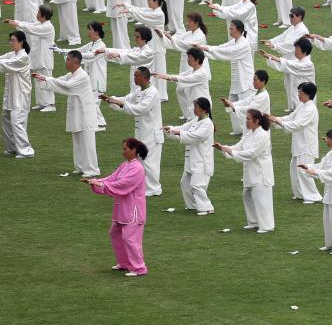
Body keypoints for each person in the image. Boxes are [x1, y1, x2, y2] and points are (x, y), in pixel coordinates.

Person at [83, 137, 148, 277]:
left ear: (133, 150)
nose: (122, 152)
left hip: (134, 210)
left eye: (125, 149)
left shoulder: (137, 168)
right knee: (115, 233)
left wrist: (101, 184)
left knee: (130, 239)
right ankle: (124, 263)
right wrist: (95, 181)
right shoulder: (125, 165)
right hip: (122, 208)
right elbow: (112, 178)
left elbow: (124, 185)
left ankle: (139, 268)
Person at [100, 67, 164, 197]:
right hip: (141, 132)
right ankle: (145, 187)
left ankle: (154, 188)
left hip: (152, 133)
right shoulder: (139, 91)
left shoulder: (152, 93)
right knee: (141, 159)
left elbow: (140, 109)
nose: (134, 78)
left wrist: (119, 103)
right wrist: (111, 99)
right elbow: (126, 99)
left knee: (149, 162)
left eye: (136, 76)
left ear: (144, 78)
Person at [33, 50, 98, 176]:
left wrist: (47, 79)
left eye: (68, 59)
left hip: (85, 115)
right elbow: (59, 82)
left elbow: (68, 86)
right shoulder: (71, 74)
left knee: (87, 143)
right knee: (77, 141)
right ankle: (80, 167)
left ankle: (92, 170)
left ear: (75, 62)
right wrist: (44, 80)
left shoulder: (82, 76)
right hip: (77, 114)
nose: (66, 61)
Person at [214, 109, 275, 234]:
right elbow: (238, 147)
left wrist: (231, 152)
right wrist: (223, 148)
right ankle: (253, 222)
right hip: (250, 171)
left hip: (261, 172)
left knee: (261, 199)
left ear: (256, 121)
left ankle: (266, 226)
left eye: (248, 119)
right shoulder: (249, 134)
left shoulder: (263, 135)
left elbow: (252, 153)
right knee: (247, 195)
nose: (246, 121)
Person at [269, 82, 322, 205]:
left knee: (305, 171)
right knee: (295, 169)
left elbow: (298, 124)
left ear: (308, 94)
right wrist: (276, 119)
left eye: (301, 93)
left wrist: (279, 122)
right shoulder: (302, 106)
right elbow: (291, 117)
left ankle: (313, 196)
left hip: (307, 145)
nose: (298, 95)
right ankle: (300, 194)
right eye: (298, 92)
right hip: (299, 143)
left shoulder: (310, 109)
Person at [301, 128, 332, 254]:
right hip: (330, 192)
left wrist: (315, 172)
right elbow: (321, 166)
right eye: (327, 138)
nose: (327, 141)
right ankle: (330, 244)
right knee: (328, 220)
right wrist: (308, 167)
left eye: (329, 138)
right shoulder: (331, 154)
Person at [163, 97, 214, 215]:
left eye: (196, 107)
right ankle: (192, 205)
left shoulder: (207, 124)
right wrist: (171, 129)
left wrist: (178, 132)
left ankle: (207, 207)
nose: (194, 109)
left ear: (204, 109)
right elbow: (184, 127)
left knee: (197, 185)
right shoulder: (196, 120)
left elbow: (196, 136)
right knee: (185, 182)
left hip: (201, 160)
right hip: (192, 158)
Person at [0, 30, 33, 158]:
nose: (11, 43)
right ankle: (12, 148)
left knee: (17, 121)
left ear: (21, 42)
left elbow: (6, 65)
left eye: (13, 40)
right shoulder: (12, 54)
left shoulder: (23, 57)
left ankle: (26, 151)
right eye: (10, 40)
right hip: (11, 94)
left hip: (20, 95)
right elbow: (2, 59)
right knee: (6, 119)